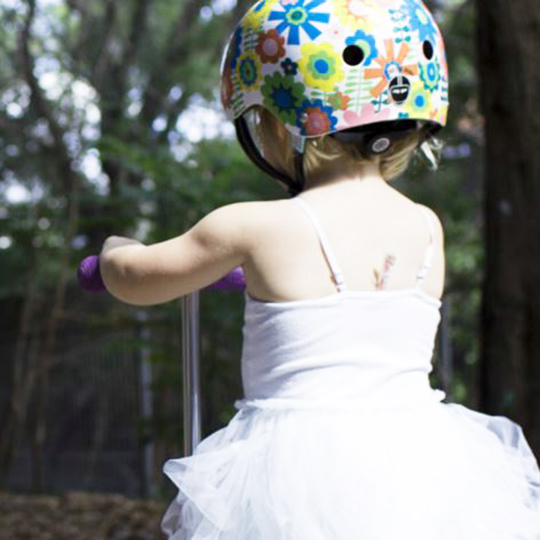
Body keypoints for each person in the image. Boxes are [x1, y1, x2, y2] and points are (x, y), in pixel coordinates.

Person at [99, 0, 540, 537]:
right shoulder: (426, 227)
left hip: (292, 474)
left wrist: (115, 252)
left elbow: (138, 281)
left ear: (278, 127)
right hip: (421, 464)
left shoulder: (253, 226)